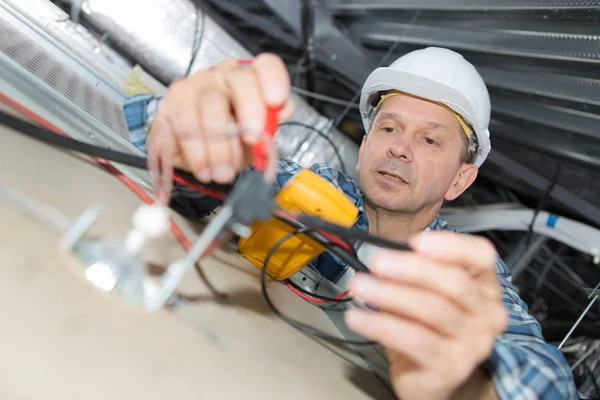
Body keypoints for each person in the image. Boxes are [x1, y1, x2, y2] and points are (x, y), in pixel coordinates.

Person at [122, 47, 577, 399]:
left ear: (460, 179)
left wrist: (472, 386)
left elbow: (549, 380)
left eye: (430, 140)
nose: (399, 148)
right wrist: (193, 134)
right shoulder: (314, 194)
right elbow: (213, 171)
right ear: (363, 149)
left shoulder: (460, 273)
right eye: (389, 128)